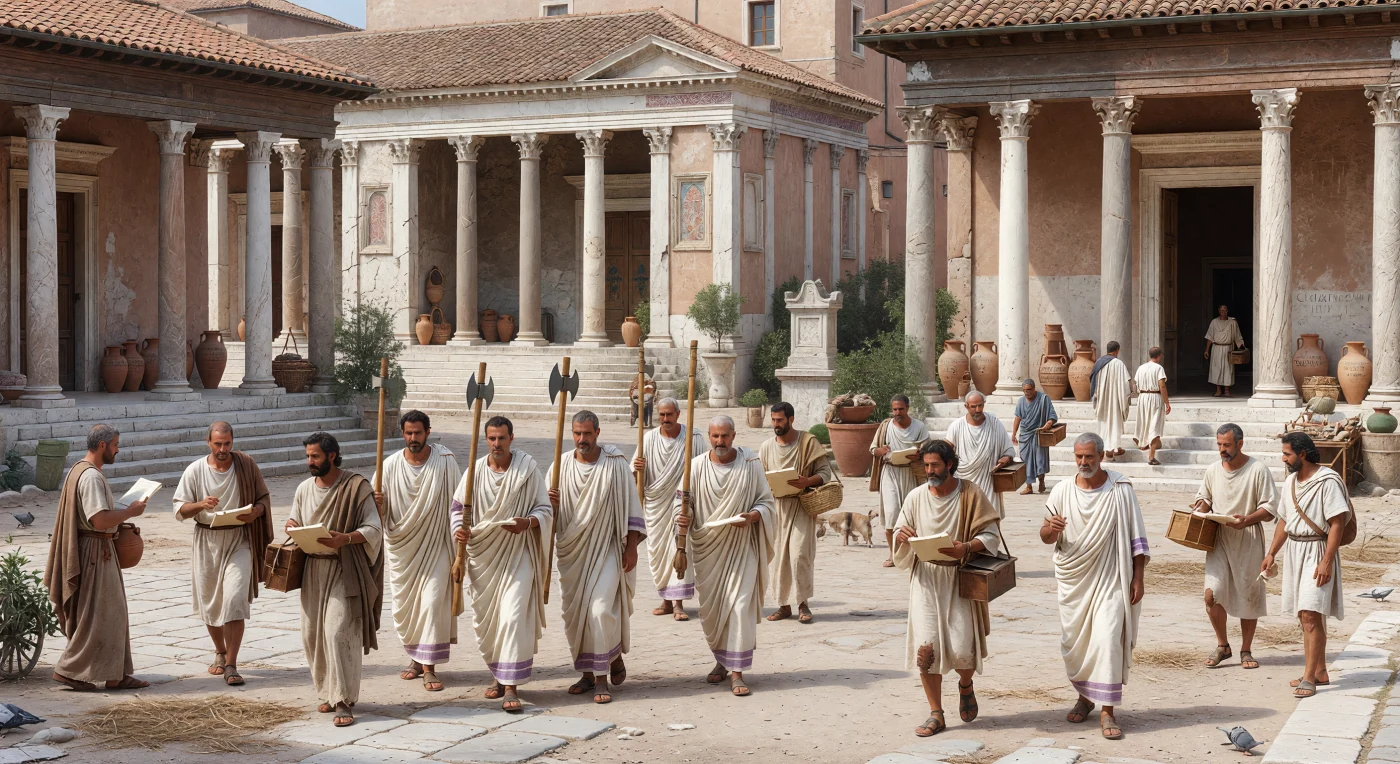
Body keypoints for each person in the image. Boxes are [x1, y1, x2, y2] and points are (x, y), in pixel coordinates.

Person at [893, 439, 1005, 738]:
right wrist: (902, 536)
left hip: (960, 579)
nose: (930, 471)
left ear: (950, 465)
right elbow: (901, 531)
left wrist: (966, 547)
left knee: (962, 647)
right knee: (925, 649)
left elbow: (991, 534)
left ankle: (965, 685)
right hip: (926, 581)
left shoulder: (970, 493)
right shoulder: (916, 496)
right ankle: (936, 713)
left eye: (935, 465)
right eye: (926, 465)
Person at [1041, 432, 1149, 741]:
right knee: (1079, 644)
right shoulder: (1061, 491)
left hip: (1112, 578)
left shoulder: (1120, 489)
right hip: (1075, 582)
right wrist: (1050, 528)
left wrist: (1138, 578)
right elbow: (1047, 537)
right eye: (1078, 457)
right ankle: (1085, 697)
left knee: (1107, 638)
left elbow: (1137, 539)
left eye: (1089, 456)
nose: (1083, 462)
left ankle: (1107, 710)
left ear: (1101, 456)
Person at [453, 415, 552, 713]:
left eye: (502, 438)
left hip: (518, 552)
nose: (497, 444)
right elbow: (458, 509)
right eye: (492, 438)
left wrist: (529, 522)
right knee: (491, 622)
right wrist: (459, 530)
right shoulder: (474, 471)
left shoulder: (527, 469)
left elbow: (544, 508)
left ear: (512, 438)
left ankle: (511, 686)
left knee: (512, 616)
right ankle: (499, 674)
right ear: (486, 440)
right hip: (484, 559)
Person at [547, 410, 644, 705]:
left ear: (598, 433)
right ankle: (591, 671)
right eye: (577, 433)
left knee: (601, 610)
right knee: (577, 617)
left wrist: (631, 547)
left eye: (587, 433)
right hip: (572, 554)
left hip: (607, 549)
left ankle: (601, 677)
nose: (581, 439)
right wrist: (548, 505)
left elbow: (631, 506)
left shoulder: (615, 465)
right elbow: (545, 514)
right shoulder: (559, 466)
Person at [675, 415, 776, 697]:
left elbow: (766, 502)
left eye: (725, 436)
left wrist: (754, 516)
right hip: (709, 551)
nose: (721, 442)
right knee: (715, 612)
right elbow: (683, 504)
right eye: (715, 437)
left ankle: (737, 673)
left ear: (734, 435)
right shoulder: (693, 467)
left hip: (742, 547)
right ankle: (722, 660)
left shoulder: (750, 463)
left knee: (740, 607)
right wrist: (682, 518)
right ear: (709, 436)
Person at [287, 432, 383, 727]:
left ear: (332, 455)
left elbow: (374, 529)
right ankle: (328, 692)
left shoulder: (356, 486)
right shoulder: (304, 488)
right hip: (313, 569)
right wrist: (292, 526)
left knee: (338, 631)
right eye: (308, 456)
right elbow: (295, 520)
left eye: (315, 456)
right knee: (312, 635)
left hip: (346, 568)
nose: (310, 462)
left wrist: (346, 539)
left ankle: (343, 700)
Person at [46, 424, 149, 692]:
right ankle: (69, 670)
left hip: (97, 549)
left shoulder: (79, 469)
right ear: (102, 445)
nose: (117, 449)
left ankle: (116, 675)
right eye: (115, 444)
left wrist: (123, 521)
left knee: (111, 614)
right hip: (95, 553)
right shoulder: (90, 476)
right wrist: (130, 513)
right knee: (96, 616)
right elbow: (99, 519)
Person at [172, 422, 273, 687]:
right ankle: (220, 650)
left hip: (240, 539)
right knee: (211, 602)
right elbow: (179, 510)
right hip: (207, 540)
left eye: (227, 443)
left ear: (232, 441)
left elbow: (263, 498)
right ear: (208, 442)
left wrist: (257, 512)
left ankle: (232, 663)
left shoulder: (246, 465)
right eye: (218, 444)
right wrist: (201, 505)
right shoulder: (195, 470)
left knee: (235, 599)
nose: (223, 449)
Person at [373, 411, 461, 693]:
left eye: (418, 433)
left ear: (428, 432)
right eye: (409, 433)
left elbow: (459, 502)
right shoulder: (388, 466)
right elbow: (374, 513)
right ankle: (415, 658)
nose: (413, 438)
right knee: (410, 608)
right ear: (402, 433)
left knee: (433, 603)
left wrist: (461, 548)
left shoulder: (445, 462)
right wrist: (377, 504)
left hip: (437, 545)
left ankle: (430, 668)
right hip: (403, 548)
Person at [1262, 431, 1351, 699]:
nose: (1283, 458)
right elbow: (1283, 521)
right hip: (1294, 551)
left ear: (1302, 454)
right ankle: (1320, 670)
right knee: (1305, 616)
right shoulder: (1290, 482)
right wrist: (1271, 553)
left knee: (1312, 616)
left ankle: (1309, 677)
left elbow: (1337, 522)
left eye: (1287, 453)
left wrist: (1326, 562)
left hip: (1318, 550)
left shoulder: (1328, 481)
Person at [1191, 423, 1278, 671]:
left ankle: (1246, 650)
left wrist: (1247, 519)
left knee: (1248, 594)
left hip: (1248, 538)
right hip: (1218, 538)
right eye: (1219, 445)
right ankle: (1223, 646)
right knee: (1211, 593)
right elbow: (1205, 498)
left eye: (1227, 445)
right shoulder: (1212, 470)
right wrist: (1200, 509)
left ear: (1240, 444)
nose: (1222, 450)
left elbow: (1270, 508)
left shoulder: (1257, 469)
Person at [760, 402, 833, 624]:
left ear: (791, 419)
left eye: (780, 420)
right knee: (779, 558)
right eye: (773, 420)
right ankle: (783, 606)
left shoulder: (807, 442)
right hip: (777, 508)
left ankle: (803, 604)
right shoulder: (766, 447)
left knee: (800, 555)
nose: (776, 424)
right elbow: (760, 477)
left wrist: (806, 481)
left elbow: (825, 473)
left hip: (802, 505)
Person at [633, 397, 706, 619]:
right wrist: (638, 469)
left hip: (681, 504)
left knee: (681, 549)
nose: (665, 419)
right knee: (657, 554)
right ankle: (665, 600)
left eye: (669, 415)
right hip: (655, 505)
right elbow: (634, 476)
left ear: (678, 414)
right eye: (661, 415)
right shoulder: (648, 439)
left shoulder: (693, 437)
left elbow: (702, 469)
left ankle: (678, 604)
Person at [871, 394, 931, 567]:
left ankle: (914, 554)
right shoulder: (885, 427)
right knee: (891, 514)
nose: (898, 412)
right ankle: (892, 555)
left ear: (908, 408)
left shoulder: (919, 427)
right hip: (890, 473)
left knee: (912, 516)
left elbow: (928, 447)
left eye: (901, 409)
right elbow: (873, 449)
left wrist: (919, 453)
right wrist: (881, 451)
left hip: (911, 474)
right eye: (895, 409)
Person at [943, 391, 1014, 515]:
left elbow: (1008, 450)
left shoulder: (994, 423)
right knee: (966, 518)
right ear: (966, 406)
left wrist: (1005, 459)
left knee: (989, 519)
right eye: (973, 406)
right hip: (964, 481)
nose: (978, 409)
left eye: (980, 405)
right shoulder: (956, 426)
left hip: (988, 481)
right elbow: (947, 452)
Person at [1011, 380, 1058, 495]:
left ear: (1034, 388)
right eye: (1024, 390)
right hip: (1025, 435)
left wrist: (1047, 424)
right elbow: (1018, 417)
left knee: (1040, 460)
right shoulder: (1021, 401)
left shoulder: (1043, 399)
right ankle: (1029, 486)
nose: (1027, 393)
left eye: (1029, 390)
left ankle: (1041, 481)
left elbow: (1052, 416)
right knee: (1025, 461)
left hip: (1039, 434)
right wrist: (1013, 433)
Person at [1089, 342, 1132, 459]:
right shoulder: (1119, 364)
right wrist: (1126, 398)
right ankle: (1111, 449)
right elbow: (1125, 384)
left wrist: (1096, 398)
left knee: (1103, 423)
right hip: (1115, 399)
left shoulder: (1098, 363)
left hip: (1102, 399)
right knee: (1115, 422)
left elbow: (1092, 381)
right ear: (1117, 350)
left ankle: (1109, 447)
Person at [1132, 348, 1172, 466]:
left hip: (1142, 397)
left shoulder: (1141, 368)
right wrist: (1167, 402)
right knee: (1155, 424)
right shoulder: (1159, 368)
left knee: (1144, 421)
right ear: (1159, 356)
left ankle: (1143, 442)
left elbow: (1135, 384)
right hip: (1155, 397)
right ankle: (1151, 456)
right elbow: (1162, 386)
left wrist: (1141, 394)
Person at [1204, 304, 1245, 397]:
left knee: (1228, 369)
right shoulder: (1214, 322)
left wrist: (1241, 347)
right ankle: (1218, 390)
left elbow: (1237, 335)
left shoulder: (1232, 322)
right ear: (1218, 311)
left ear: (1227, 311)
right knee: (1216, 368)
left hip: (1228, 348)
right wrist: (1207, 350)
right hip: (1216, 348)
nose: (1223, 312)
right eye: (1221, 310)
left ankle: (1226, 390)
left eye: (1225, 310)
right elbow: (1210, 336)